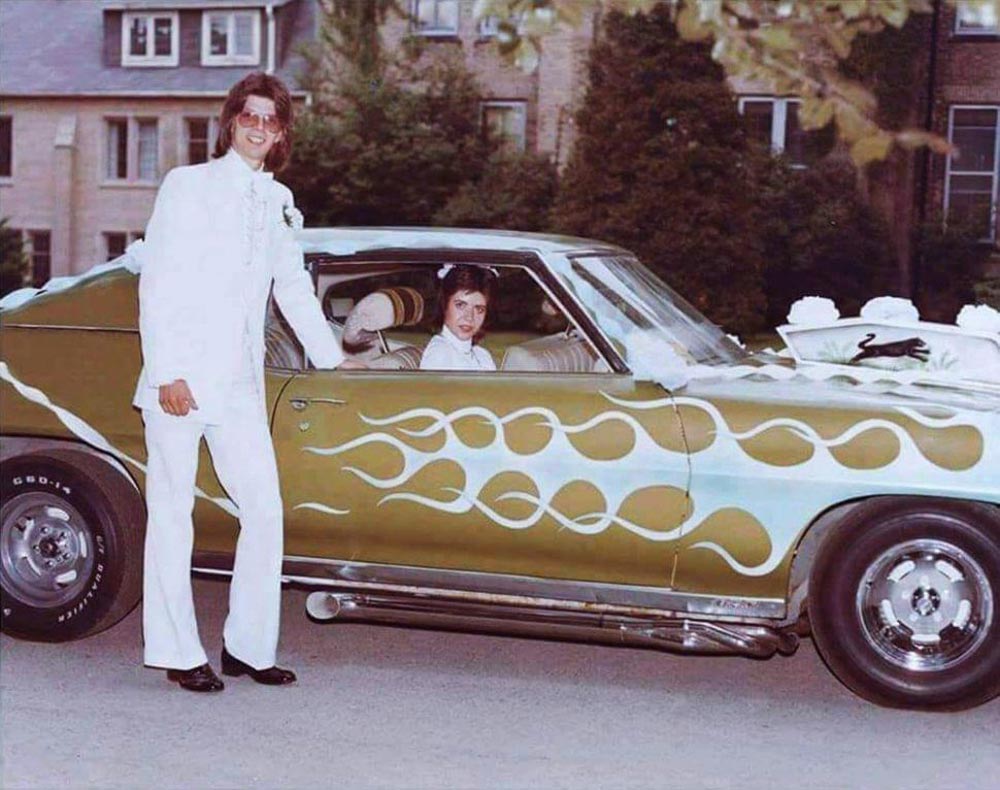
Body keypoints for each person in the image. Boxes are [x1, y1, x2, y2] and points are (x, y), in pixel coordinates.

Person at [133, 73, 359, 693]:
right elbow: (159, 282)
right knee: (172, 513)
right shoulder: (188, 186)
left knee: (263, 509)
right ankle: (179, 652)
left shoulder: (280, 201)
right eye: (250, 116)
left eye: (272, 120)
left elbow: (290, 288)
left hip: (238, 385)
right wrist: (167, 372)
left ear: (282, 133)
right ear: (232, 121)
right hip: (179, 380)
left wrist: (335, 357)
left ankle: (248, 646)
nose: (260, 128)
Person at [419, 264, 497, 371]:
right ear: (444, 304)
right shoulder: (439, 354)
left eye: (479, 309)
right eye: (460, 305)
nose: (469, 317)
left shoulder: (482, 356)